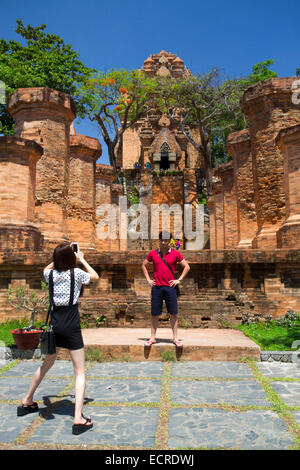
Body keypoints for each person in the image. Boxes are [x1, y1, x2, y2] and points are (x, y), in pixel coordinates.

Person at [17, 244, 99, 435]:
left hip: (54, 323)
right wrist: (81, 259)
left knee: (46, 363)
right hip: (71, 324)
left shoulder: (50, 275)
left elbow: (46, 268)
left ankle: (27, 400)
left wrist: (60, 258)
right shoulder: (76, 274)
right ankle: (78, 418)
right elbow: (95, 276)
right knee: (79, 371)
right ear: (71, 259)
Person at [142, 231, 190, 348]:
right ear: (159, 240)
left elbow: (187, 267)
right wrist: (148, 279)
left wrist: (179, 280)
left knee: (173, 313)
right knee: (155, 313)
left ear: (169, 241)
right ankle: (152, 338)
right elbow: (144, 265)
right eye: (162, 240)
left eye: (166, 240)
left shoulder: (175, 254)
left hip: (170, 287)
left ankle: (175, 338)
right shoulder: (153, 254)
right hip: (157, 287)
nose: (163, 242)